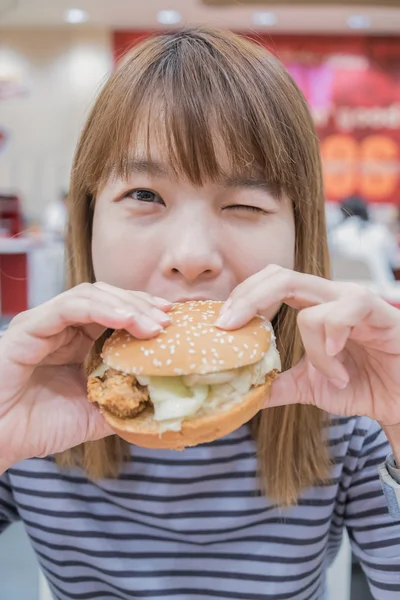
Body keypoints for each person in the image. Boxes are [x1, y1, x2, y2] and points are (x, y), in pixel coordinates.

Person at [0, 28, 400, 600]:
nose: (191, 257)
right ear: (87, 222)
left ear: (298, 233)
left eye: (244, 204)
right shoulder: (29, 384)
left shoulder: (346, 400)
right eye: (144, 195)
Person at [329, 196, 397, 285]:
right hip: (381, 287)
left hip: (346, 288)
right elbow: (394, 261)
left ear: (342, 212)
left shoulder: (336, 234)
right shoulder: (381, 232)